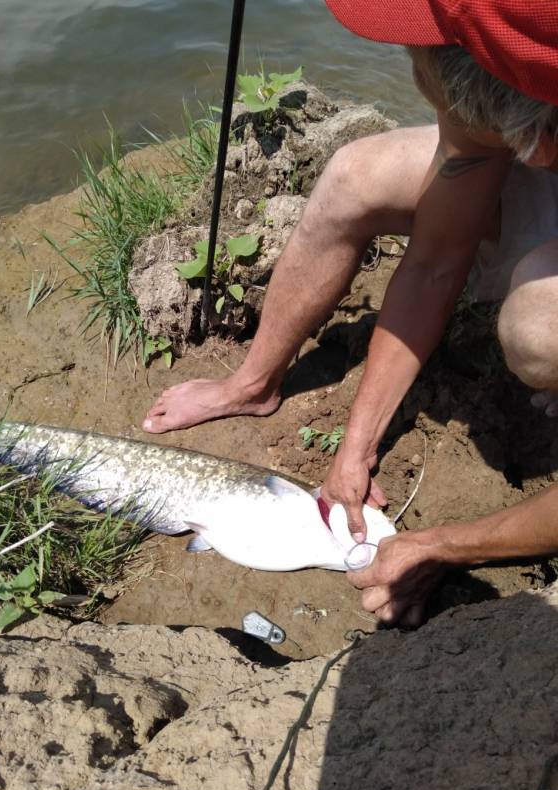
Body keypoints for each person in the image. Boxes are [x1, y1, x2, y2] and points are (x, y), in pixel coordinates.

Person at [143, 0, 558, 626]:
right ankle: (252, 383)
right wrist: (355, 447)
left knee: (540, 328)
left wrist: (438, 545)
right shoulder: (490, 88)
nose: (407, 53)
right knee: (354, 176)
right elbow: (434, 261)